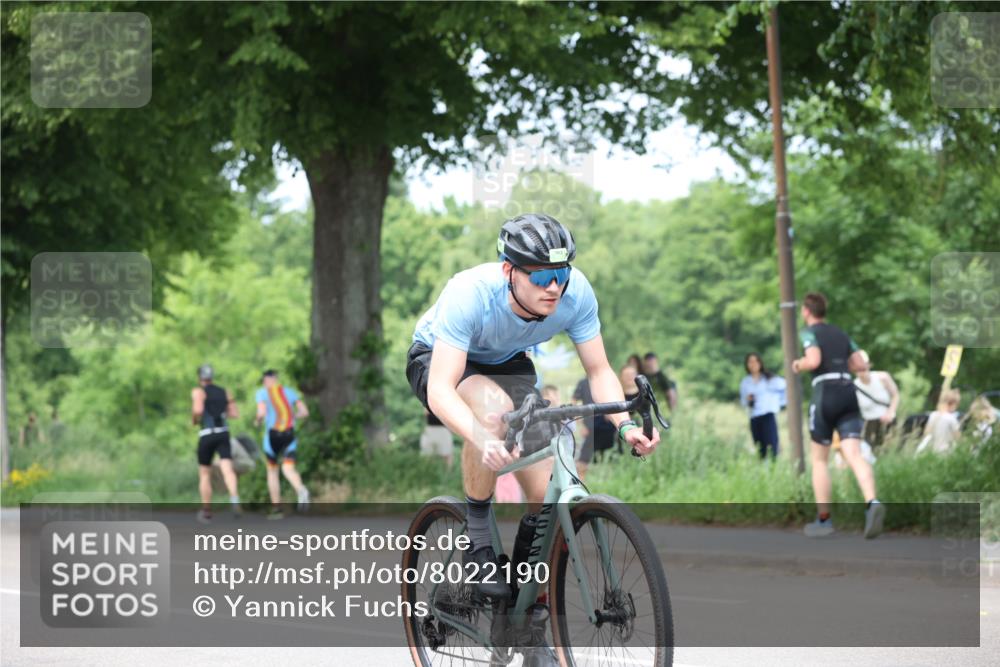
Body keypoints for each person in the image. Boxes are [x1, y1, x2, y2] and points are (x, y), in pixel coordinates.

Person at [406, 213, 661, 662]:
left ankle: (522, 622)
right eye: (542, 276)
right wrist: (480, 437)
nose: (554, 287)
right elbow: (441, 390)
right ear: (510, 271)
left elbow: (599, 371)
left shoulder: (575, 293)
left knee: (546, 494)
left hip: (509, 359)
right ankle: (478, 534)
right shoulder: (470, 294)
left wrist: (624, 425)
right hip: (443, 359)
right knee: (490, 413)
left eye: (561, 275)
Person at [791, 293, 884, 539]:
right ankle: (872, 502)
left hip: (825, 393)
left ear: (806, 312)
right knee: (853, 453)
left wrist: (798, 365)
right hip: (848, 391)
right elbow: (858, 364)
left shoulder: (808, 333)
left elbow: (814, 360)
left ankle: (824, 520)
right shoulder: (841, 333)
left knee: (820, 460)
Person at [255, 369, 310, 519]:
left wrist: (258, 421)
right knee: (288, 468)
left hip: (272, 436)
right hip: (289, 435)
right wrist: (293, 417)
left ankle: (277, 508)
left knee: (272, 471)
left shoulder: (262, 393)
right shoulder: (290, 392)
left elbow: (261, 412)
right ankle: (301, 489)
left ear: (266, 381)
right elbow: (304, 412)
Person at [191, 364, 240, 523]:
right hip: (223, 433)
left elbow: (198, 410)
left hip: (207, 434)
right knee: (227, 468)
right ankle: (234, 498)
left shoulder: (198, 392)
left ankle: (206, 511)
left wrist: (194, 419)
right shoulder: (225, 392)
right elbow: (234, 413)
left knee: (205, 473)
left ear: (200, 378)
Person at [739, 353, 787, 459]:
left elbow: (787, 386)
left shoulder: (770, 379)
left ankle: (773, 469)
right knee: (760, 449)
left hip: (767, 415)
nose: (753, 364)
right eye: (750, 362)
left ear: (760, 363)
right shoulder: (745, 382)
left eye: (755, 361)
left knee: (772, 447)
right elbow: (743, 401)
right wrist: (748, 400)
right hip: (754, 416)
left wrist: (780, 403)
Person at [854, 366, 899, 449]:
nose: (862, 373)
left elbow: (895, 395)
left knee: (889, 447)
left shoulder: (882, 377)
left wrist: (890, 412)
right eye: (858, 370)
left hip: (887, 419)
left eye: (863, 369)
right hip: (869, 423)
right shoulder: (855, 385)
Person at [917, 389, 961, 454]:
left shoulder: (933, 415)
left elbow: (926, 432)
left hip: (931, 452)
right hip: (945, 453)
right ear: (953, 404)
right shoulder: (952, 419)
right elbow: (958, 438)